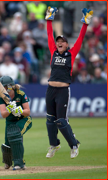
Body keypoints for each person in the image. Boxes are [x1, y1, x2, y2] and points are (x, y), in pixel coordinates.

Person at [45, 7, 93, 159]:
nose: (59, 43)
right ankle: (54, 145)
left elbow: (80, 38)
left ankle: (74, 145)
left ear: (66, 45)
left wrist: (85, 23)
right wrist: (49, 20)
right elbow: (49, 35)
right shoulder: (53, 50)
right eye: (58, 41)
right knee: (50, 120)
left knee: (61, 121)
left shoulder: (71, 54)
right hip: (50, 89)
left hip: (63, 90)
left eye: (62, 42)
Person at [0, 75, 32, 170]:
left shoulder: (20, 94)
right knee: (7, 144)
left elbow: (28, 111)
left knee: (15, 133)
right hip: (10, 121)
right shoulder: (2, 96)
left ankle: (19, 163)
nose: (3, 89)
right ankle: (8, 162)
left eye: (4, 87)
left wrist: (20, 111)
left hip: (24, 119)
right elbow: (3, 114)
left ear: (10, 86)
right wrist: (9, 110)